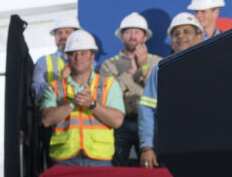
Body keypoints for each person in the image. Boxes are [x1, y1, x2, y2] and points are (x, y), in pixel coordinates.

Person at [39, 30, 125, 167]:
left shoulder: (109, 84)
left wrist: (92, 104)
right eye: (74, 54)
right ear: (67, 57)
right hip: (64, 158)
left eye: (83, 53)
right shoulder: (54, 87)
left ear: (92, 57)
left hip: (99, 158)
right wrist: (72, 104)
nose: (78, 58)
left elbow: (117, 120)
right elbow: (46, 120)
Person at [138, 13, 204, 169]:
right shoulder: (160, 70)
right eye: (176, 34)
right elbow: (147, 108)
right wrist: (147, 147)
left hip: (204, 146)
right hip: (171, 149)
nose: (180, 36)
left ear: (199, 36)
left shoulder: (210, 65)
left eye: (186, 31)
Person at [99, 12, 162, 166]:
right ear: (121, 37)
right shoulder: (109, 65)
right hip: (121, 122)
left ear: (145, 37)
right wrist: (129, 74)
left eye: (137, 32)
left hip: (151, 123)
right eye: (128, 32)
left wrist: (144, 68)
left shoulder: (157, 61)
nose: (132, 36)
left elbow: (160, 92)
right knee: (117, 165)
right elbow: (106, 96)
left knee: (152, 165)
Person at [32, 14, 80, 104]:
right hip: (53, 114)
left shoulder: (90, 63)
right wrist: (60, 82)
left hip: (81, 115)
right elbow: (36, 92)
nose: (63, 36)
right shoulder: (43, 62)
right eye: (59, 33)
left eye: (67, 32)